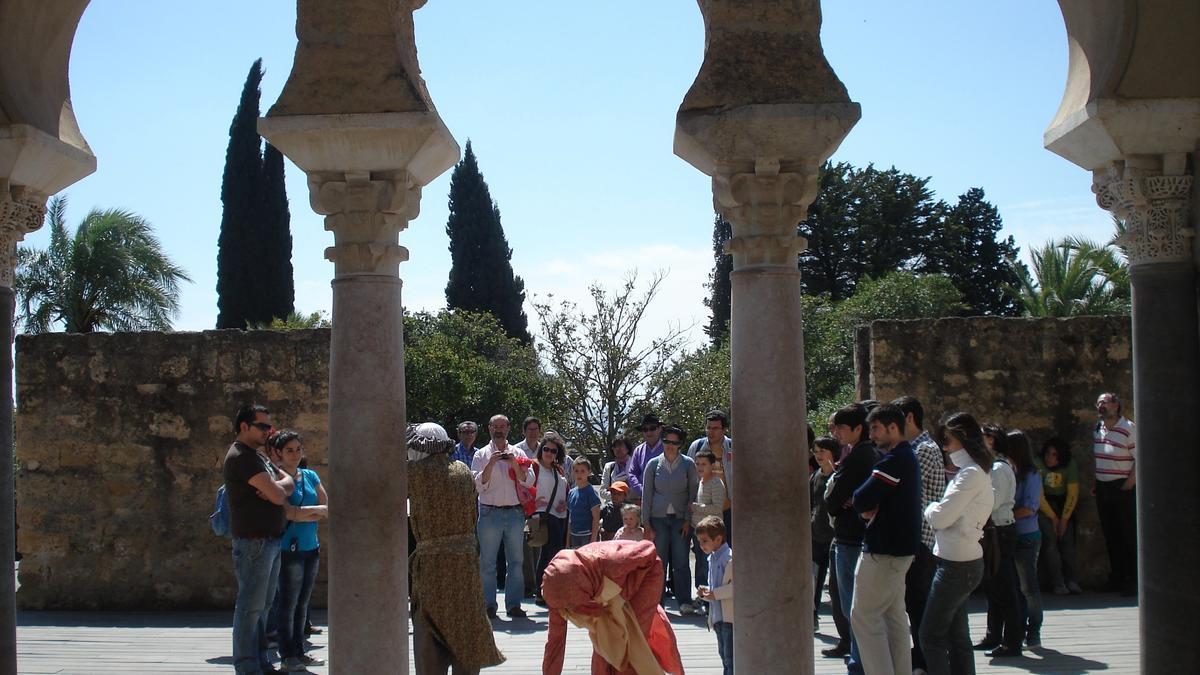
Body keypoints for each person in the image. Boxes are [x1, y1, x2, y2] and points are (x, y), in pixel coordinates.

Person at [407, 422, 506, 675]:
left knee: (429, 634)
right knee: (466, 632)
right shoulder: (462, 470)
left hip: (433, 569)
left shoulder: (414, 473)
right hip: (465, 564)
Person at [540, 540, 685, 675]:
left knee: (631, 643)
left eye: (572, 606)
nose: (569, 612)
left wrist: (622, 596)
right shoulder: (555, 592)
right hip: (603, 591)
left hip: (644, 575)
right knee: (604, 644)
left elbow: (649, 551)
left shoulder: (613, 562)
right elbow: (555, 642)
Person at [850, 404, 922, 675]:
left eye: (877, 428)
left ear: (894, 427)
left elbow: (861, 499)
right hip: (900, 552)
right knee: (893, 620)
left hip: (884, 552)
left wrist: (867, 506)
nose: (873, 434)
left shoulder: (895, 460)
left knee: (865, 618)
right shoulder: (906, 457)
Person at [921, 412, 994, 675]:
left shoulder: (970, 474)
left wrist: (929, 507)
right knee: (957, 637)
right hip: (962, 561)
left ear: (962, 440)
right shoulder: (975, 471)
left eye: (948, 441)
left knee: (930, 636)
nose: (944, 447)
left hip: (955, 565)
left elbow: (940, 517)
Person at [223, 404, 293, 675]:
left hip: (269, 540)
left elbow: (287, 480)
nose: (268, 431)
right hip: (254, 541)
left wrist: (280, 484)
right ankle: (247, 666)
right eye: (262, 426)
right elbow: (278, 495)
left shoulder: (257, 457)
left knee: (263, 607)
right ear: (244, 426)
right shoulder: (242, 457)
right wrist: (279, 487)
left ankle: (261, 661)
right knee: (250, 608)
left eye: (268, 426)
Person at [823, 403, 878, 674]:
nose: (836, 433)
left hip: (851, 539)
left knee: (854, 608)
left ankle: (860, 664)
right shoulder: (860, 454)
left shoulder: (859, 456)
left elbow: (833, 499)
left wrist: (841, 500)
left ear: (858, 428)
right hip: (851, 537)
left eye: (842, 428)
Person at [891, 396, 945, 674]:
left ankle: (924, 660)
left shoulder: (921, 449)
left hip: (920, 539)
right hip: (919, 538)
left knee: (917, 603)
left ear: (908, 418)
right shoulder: (919, 447)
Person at [267, 430, 327, 673]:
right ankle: (287, 655)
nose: (295, 454)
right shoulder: (276, 479)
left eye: (298, 449)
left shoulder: (310, 476)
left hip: (310, 546)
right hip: (287, 549)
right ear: (279, 453)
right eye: (289, 450)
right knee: (288, 604)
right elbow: (286, 512)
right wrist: (310, 512)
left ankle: (300, 653)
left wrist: (304, 512)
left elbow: (326, 507)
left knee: (302, 604)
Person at [470, 414, 535, 618]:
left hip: (515, 512)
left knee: (516, 561)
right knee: (487, 562)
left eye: (502, 426)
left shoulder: (518, 452)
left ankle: (514, 604)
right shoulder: (481, 455)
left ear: (508, 428)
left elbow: (529, 482)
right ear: (489, 428)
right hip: (490, 512)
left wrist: (515, 465)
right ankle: (488, 604)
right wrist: (490, 464)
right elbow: (477, 485)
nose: (498, 429)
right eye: (495, 426)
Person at [642, 424, 700, 616]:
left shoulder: (688, 464)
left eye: (674, 442)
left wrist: (688, 520)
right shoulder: (652, 464)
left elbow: (693, 494)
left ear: (680, 444)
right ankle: (657, 604)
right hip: (657, 518)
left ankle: (684, 601)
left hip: (680, 520)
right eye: (666, 441)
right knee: (659, 562)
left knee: (681, 561)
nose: (670, 445)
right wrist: (646, 524)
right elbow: (647, 495)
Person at [975, 424, 1022, 658]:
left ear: (992, 440)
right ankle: (993, 635)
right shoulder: (992, 467)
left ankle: (1011, 641)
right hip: (993, 531)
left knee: (1004, 586)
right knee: (993, 586)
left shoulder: (1000, 469)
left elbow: (991, 502)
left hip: (1000, 531)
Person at [1092, 392, 1137, 595]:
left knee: (1128, 535)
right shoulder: (1098, 429)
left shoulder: (1129, 429)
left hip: (1122, 487)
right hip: (1103, 488)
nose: (1102, 405)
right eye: (1099, 403)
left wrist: (1129, 484)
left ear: (1116, 405)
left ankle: (1134, 580)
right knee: (1111, 535)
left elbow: (1140, 458)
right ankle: (1117, 577)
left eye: (1106, 402)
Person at [1007, 430, 1044, 649]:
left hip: (1027, 535)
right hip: (1011, 535)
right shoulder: (1008, 471)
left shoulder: (1031, 474)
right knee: (1015, 587)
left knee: (1029, 587)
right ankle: (1017, 630)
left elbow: (1030, 508)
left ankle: (1034, 630)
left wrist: (1005, 514)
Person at [810, 437, 846, 642]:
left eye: (823, 450)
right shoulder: (815, 477)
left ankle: (845, 632)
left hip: (835, 538)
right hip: (816, 535)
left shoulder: (839, 477)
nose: (819, 454)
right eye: (816, 451)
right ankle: (812, 617)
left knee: (836, 586)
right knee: (813, 581)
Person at [1036, 437, 1081, 595]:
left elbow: (1073, 494)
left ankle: (1072, 580)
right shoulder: (1038, 464)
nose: (1050, 458)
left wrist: (1064, 519)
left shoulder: (1070, 465)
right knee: (1050, 543)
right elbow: (1039, 496)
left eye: (1055, 455)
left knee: (1067, 543)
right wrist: (1053, 518)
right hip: (1045, 506)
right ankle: (1058, 582)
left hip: (1064, 506)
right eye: (1048, 453)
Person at [532, 432, 570, 603]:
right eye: (546, 449)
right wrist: (532, 500)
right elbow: (522, 486)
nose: (549, 453)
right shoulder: (534, 466)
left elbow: (564, 489)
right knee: (551, 553)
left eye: (553, 451)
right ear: (541, 449)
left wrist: (565, 503)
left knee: (549, 553)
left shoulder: (558, 469)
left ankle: (544, 589)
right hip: (543, 515)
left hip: (559, 515)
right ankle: (544, 590)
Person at [696, 516, 734, 675]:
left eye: (705, 541)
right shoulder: (711, 558)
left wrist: (714, 594)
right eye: (699, 541)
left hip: (730, 618)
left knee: (730, 659)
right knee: (723, 656)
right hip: (718, 616)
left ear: (718, 539)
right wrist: (705, 593)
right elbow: (715, 587)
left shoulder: (730, 559)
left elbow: (736, 588)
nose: (701, 545)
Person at [687, 409, 733, 540]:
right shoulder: (697, 446)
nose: (711, 431)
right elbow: (690, 476)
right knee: (703, 552)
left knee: (727, 551)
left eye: (716, 428)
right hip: (702, 510)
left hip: (728, 510)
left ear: (724, 430)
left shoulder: (732, 447)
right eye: (708, 427)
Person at [690, 449, 727, 599]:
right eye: (697, 464)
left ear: (712, 465)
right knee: (700, 564)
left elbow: (718, 507)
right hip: (699, 531)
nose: (700, 467)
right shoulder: (700, 482)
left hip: (711, 533)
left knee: (708, 566)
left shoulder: (716, 483)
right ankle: (702, 596)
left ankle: (710, 596)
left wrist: (696, 507)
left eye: (704, 464)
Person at [626, 414, 664, 503]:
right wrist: (640, 489)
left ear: (660, 429)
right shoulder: (638, 450)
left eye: (652, 428)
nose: (648, 432)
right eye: (645, 429)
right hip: (642, 498)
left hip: (663, 498)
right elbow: (632, 473)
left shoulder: (668, 448)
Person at [567, 457, 601, 548]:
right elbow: (570, 519)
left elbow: (596, 518)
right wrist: (567, 541)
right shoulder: (571, 492)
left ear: (589, 472)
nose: (579, 474)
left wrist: (593, 541)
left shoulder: (591, 492)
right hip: (574, 535)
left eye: (582, 471)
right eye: (576, 471)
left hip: (587, 535)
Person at [601, 438, 633, 504]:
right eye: (615, 446)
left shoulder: (636, 465)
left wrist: (624, 496)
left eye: (620, 445)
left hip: (630, 508)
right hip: (612, 508)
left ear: (627, 448)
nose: (617, 448)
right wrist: (615, 496)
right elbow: (602, 491)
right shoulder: (609, 467)